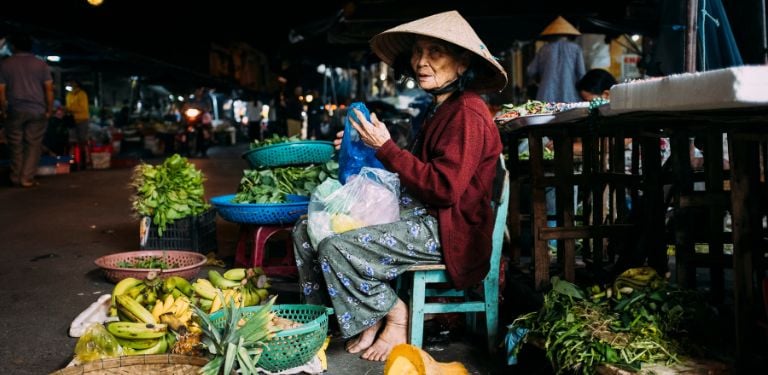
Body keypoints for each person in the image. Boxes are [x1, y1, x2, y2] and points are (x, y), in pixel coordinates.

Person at [292, 10, 507, 362]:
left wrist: (386, 148)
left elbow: (443, 189)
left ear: (463, 62)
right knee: (306, 228)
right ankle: (329, 322)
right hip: (421, 214)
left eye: (435, 52)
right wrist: (364, 147)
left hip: (448, 229)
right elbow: (413, 172)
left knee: (336, 246)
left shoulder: (467, 113)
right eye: (418, 51)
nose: (422, 61)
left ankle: (394, 315)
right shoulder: (440, 108)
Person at [0, 34, 54, 188]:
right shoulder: (40, 64)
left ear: (14, 47)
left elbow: (1, 91)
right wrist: (49, 109)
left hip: (15, 110)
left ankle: (16, 177)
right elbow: (49, 89)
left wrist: (3, 110)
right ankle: (26, 179)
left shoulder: (5, 64)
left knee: (15, 144)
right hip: (37, 110)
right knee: (33, 144)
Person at [526, 16, 585, 103]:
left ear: (550, 35)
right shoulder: (575, 49)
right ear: (569, 35)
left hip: (546, 96)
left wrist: (539, 79)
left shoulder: (544, 49)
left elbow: (530, 71)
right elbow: (581, 74)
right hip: (569, 95)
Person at [65, 79, 90, 170]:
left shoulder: (82, 94)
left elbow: (82, 108)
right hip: (72, 120)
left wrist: (69, 109)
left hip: (82, 120)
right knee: (72, 142)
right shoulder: (69, 95)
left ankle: (84, 163)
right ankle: (72, 163)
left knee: (82, 142)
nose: (70, 84)